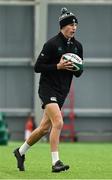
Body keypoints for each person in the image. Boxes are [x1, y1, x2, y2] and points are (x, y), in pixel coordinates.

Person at [13, 7, 83, 173]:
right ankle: (55, 162)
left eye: (75, 25)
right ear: (62, 26)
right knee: (58, 122)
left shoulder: (77, 47)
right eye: (70, 25)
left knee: (44, 128)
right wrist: (58, 66)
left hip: (62, 91)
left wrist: (74, 67)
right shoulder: (51, 44)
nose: (73, 28)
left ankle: (20, 152)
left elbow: (80, 72)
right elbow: (38, 67)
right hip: (47, 88)